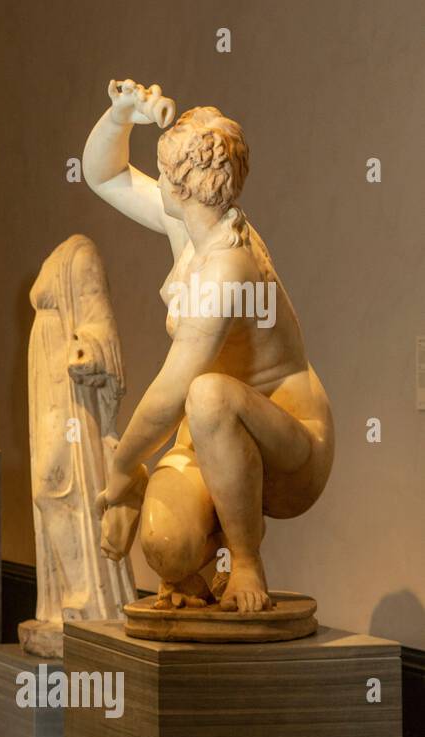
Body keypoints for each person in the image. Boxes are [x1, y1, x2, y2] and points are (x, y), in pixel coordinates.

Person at [84, 79, 334, 613]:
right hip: (207, 436)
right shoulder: (193, 229)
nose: (159, 180)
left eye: (163, 169)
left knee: (206, 395)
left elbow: (174, 390)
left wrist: (121, 467)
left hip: (290, 444)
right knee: (164, 545)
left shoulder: (227, 267)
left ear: (179, 185)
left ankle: (244, 558)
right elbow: (103, 174)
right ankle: (205, 550)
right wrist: (121, 113)